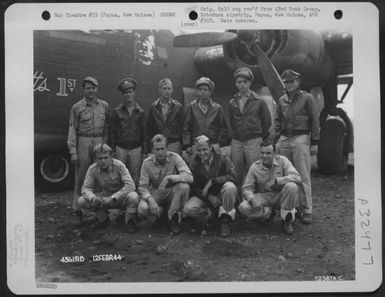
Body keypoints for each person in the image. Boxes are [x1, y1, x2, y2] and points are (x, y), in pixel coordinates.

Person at [274, 69, 320, 225]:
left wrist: (314, 142)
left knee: (303, 175)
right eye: (286, 82)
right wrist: (276, 139)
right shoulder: (281, 100)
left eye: (292, 81)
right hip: (285, 138)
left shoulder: (307, 98)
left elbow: (315, 120)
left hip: (301, 138)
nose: (289, 84)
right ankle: (291, 209)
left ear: (298, 81)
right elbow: (277, 120)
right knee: (287, 174)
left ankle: (307, 210)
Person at [67, 76, 111, 226]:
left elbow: (107, 128)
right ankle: (77, 211)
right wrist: (73, 151)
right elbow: (72, 129)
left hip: (99, 142)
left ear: (97, 89)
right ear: (83, 89)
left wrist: (105, 145)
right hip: (83, 142)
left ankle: (100, 214)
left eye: (93, 88)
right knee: (81, 177)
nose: (91, 91)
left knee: (99, 177)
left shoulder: (104, 106)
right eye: (88, 88)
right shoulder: (77, 107)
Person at [238, 140, 301, 235]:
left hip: (281, 196)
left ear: (275, 154)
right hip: (264, 198)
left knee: (291, 186)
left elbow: (297, 178)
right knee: (243, 207)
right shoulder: (255, 167)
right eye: (262, 153)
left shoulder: (283, 161)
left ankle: (287, 219)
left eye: (268, 153)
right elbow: (246, 188)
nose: (264, 156)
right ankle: (267, 214)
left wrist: (279, 180)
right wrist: (252, 199)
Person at [137, 134, 193, 235]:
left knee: (184, 187)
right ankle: (162, 215)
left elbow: (189, 177)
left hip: (171, 191)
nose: (160, 152)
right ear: (152, 150)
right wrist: (150, 200)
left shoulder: (175, 157)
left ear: (167, 148)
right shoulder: (146, 162)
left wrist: (171, 177)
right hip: (156, 192)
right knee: (142, 209)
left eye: (163, 148)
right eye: (157, 149)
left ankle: (173, 219)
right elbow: (142, 187)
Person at [183, 135, 237, 237]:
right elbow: (194, 187)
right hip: (205, 196)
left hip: (221, 194)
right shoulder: (194, 164)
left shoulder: (223, 158)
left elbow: (233, 176)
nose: (202, 153)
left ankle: (225, 220)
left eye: (204, 149)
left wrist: (214, 180)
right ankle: (211, 214)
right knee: (187, 209)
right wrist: (208, 196)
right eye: (199, 150)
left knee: (230, 187)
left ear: (211, 148)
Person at [78, 144, 140, 233]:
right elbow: (85, 189)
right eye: (100, 158)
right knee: (82, 201)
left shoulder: (119, 165)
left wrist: (113, 198)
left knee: (133, 197)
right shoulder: (92, 169)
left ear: (111, 157)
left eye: (106, 157)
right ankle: (103, 219)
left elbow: (130, 185)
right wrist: (94, 198)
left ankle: (130, 221)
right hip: (105, 197)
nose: (103, 161)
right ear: (95, 159)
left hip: (121, 197)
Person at [229, 67, 272, 186]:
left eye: (245, 82)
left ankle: (255, 200)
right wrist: (236, 135)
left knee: (255, 171)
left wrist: (257, 137)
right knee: (235, 172)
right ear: (236, 84)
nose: (242, 85)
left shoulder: (259, 101)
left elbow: (267, 122)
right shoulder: (232, 102)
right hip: (237, 142)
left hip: (253, 141)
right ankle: (237, 201)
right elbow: (231, 121)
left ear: (250, 83)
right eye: (239, 82)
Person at [108, 77, 147, 186]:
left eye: (130, 92)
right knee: (119, 174)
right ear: (123, 95)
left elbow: (144, 132)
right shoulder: (117, 111)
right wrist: (112, 149)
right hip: (121, 148)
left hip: (136, 148)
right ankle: (120, 198)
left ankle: (133, 198)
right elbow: (112, 131)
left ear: (134, 93)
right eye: (125, 92)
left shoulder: (141, 112)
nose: (128, 95)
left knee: (134, 175)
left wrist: (144, 151)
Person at [183, 77, 228, 161]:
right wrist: (187, 145)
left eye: (205, 89)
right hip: (196, 146)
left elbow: (223, 128)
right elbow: (186, 127)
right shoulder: (191, 107)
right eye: (200, 89)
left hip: (213, 145)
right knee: (196, 171)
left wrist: (220, 143)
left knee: (214, 169)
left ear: (210, 91)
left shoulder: (217, 108)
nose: (202, 91)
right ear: (197, 91)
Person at [147, 78, 185, 155]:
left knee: (173, 166)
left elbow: (183, 127)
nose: (167, 91)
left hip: (174, 144)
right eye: (164, 88)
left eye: (169, 88)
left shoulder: (178, 107)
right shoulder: (153, 107)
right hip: (158, 143)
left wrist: (184, 146)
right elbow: (149, 129)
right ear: (159, 90)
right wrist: (149, 148)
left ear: (172, 90)